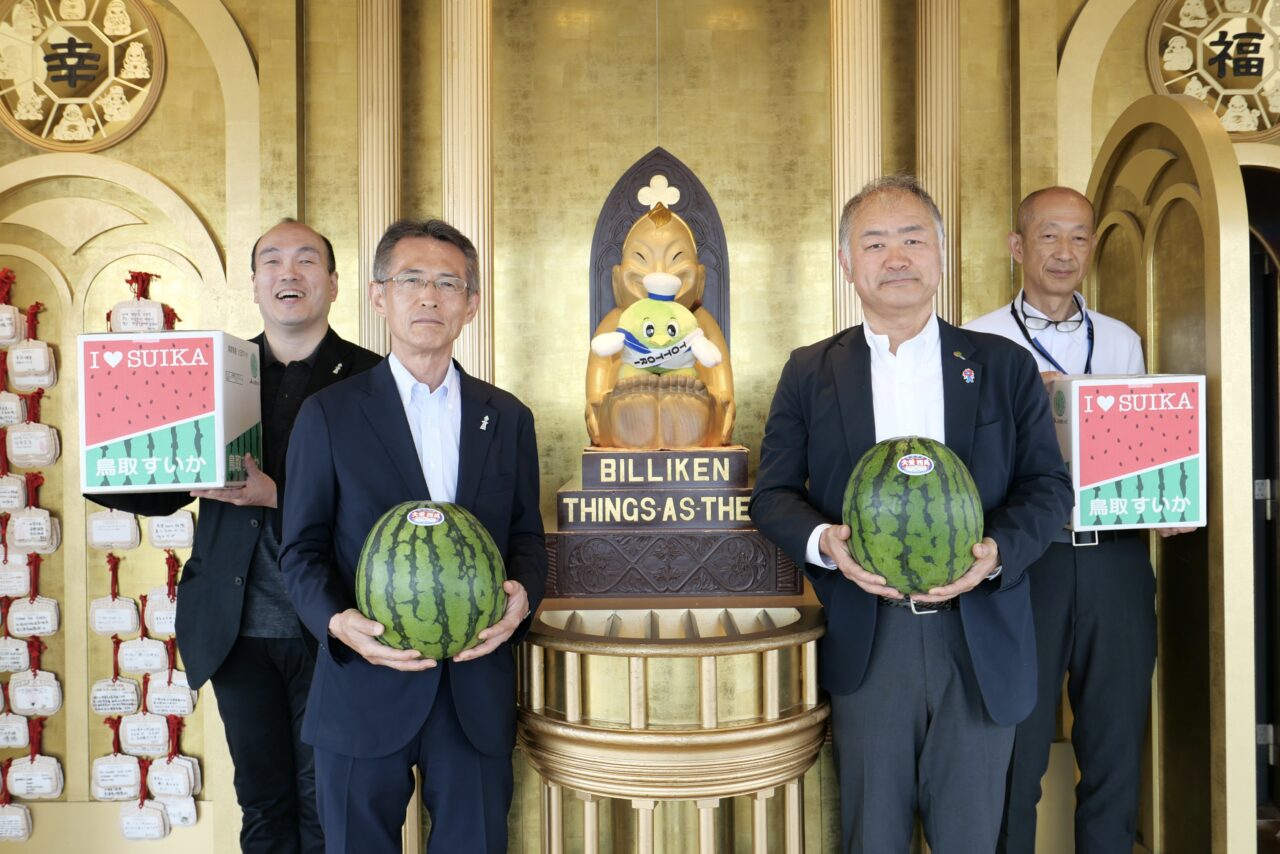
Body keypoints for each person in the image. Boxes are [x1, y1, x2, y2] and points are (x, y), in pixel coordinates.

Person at [749, 175, 1072, 853]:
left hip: (979, 635)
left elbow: (1048, 487)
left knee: (969, 838)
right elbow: (772, 493)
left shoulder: (1002, 366)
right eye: (874, 242)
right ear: (847, 264)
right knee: (875, 836)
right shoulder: (811, 372)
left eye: (911, 239)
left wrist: (998, 550)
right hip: (872, 639)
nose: (895, 257)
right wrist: (823, 543)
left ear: (940, 255)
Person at [89, 219, 382, 853]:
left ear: (333, 284)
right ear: (253, 284)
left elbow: (393, 510)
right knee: (263, 801)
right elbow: (159, 485)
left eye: (307, 261)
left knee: (328, 799)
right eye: (272, 261)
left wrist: (279, 495)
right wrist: (111, 436)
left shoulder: (373, 381)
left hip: (335, 627)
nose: (289, 272)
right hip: (236, 628)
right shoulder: (211, 374)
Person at [280, 218, 546, 854]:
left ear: (471, 304)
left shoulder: (506, 416)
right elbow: (302, 549)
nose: (430, 296)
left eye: (448, 283)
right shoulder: (329, 414)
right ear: (379, 296)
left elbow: (528, 540)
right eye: (412, 280)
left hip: (473, 689)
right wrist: (336, 622)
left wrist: (523, 599)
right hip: (361, 687)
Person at [965, 186, 1193, 854]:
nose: (1065, 252)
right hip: (1025, 562)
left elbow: (1144, 445)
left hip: (1117, 559)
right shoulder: (981, 339)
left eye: (1079, 237)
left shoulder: (1122, 339)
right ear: (1017, 246)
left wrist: (1165, 498)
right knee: (1019, 746)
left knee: (1116, 739)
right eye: (1048, 236)